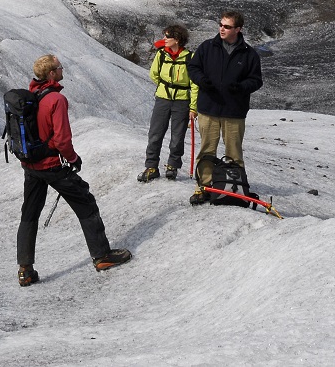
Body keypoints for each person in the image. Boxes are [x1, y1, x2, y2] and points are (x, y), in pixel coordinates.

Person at [15, 54, 132, 286]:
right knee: (86, 204)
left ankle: (25, 269)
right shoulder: (56, 100)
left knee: (30, 214)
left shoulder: (31, 95)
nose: (62, 70)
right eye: (59, 68)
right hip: (51, 165)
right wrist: (73, 159)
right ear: (51, 74)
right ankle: (102, 256)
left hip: (31, 166)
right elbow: (62, 140)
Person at [185, 10, 263, 206]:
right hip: (208, 109)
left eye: (227, 26)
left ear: (238, 29)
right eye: (220, 24)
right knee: (206, 151)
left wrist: (241, 87)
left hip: (234, 112)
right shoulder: (207, 47)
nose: (221, 28)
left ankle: (234, 189)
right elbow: (193, 67)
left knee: (234, 153)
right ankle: (203, 188)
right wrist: (202, 80)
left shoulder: (249, 54)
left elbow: (256, 80)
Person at [138, 24, 199, 183]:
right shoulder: (161, 55)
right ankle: (151, 166)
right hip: (163, 99)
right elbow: (154, 74)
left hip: (182, 101)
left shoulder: (190, 58)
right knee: (155, 133)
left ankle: (172, 166)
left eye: (167, 37)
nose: (163, 40)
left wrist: (193, 107)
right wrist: (165, 87)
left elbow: (195, 84)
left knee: (177, 136)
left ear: (177, 39)